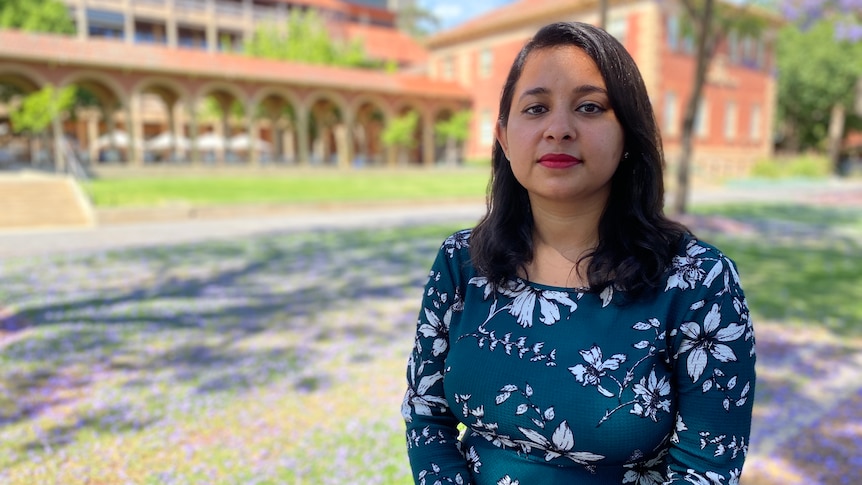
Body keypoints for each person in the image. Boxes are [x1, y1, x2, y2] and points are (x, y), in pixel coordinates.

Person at [401, 21, 755, 485]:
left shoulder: (698, 283)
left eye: (590, 107)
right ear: (505, 137)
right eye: (536, 108)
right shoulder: (460, 263)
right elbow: (427, 415)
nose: (559, 129)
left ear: (628, 134)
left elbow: (706, 469)